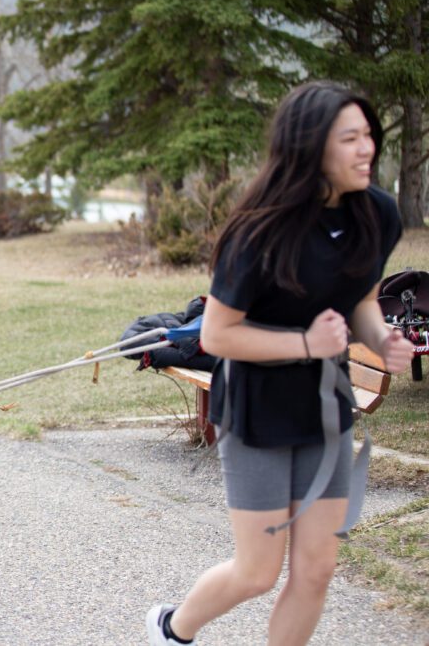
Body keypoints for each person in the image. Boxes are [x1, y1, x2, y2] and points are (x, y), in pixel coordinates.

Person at [146, 82, 415, 646]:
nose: (367, 149)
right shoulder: (259, 231)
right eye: (350, 139)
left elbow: (361, 303)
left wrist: (382, 338)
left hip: (324, 409)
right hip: (258, 411)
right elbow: (219, 334)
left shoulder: (378, 213)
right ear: (310, 147)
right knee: (258, 572)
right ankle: (172, 628)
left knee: (316, 570)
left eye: (369, 135)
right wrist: (305, 344)